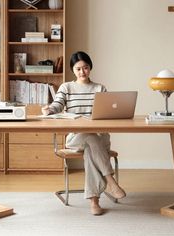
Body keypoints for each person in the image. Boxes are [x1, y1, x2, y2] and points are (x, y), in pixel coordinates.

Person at [42, 51, 126, 215]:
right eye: (78, 68)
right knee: (90, 137)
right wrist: (50, 109)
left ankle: (94, 202)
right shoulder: (66, 87)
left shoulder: (99, 88)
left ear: (90, 68)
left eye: (85, 68)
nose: (82, 72)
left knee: (91, 146)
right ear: (73, 70)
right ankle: (110, 181)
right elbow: (57, 105)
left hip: (99, 138)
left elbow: (108, 111)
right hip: (76, 138)